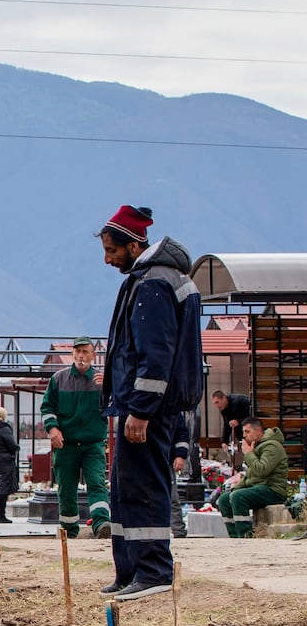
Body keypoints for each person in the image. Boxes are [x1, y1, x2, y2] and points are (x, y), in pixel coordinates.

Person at [98, 204, 204, 600]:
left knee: (144, 486)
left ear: (133, 243)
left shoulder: (153, 284)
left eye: (112, 250)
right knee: (124, 487)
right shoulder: (155, 278)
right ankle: (129, 569)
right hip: (142, 406)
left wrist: (141, 408)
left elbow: (155, 353)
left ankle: (154, 570)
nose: (108, 260)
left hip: (150, 409)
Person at [40, 337, 111, 539]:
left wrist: (108, 387)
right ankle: (69, 529)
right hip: (66, 445)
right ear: (73, 354)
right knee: (66, 487)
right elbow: (47, 407)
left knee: (97, 483)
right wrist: (52, 429)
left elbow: (116, 404)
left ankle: (101, 523)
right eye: (78, 351)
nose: (81, 356)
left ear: (93, 355)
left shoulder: (103, 381)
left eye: (85, 352)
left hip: (92, 444)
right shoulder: (58, 379)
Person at [216, 417, 289, 538]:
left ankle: (246, 537)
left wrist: (249, 454)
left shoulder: (272, 446)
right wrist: (234, 488)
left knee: (238, 497)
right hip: (259, 488)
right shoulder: (257, 446)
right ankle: (235, 537)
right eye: (243, 432)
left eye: (247, 432)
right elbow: (250, 476)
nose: (244, 436)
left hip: (273, 490)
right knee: (224, 499)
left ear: (259, 431)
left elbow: (262, 470)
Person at [212, 390, 252, 456]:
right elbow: (227, 424)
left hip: (251, 431)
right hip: (243, 435)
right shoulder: (223, 408)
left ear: (224, 398)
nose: (217, 406)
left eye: (217, 402)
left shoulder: (238, 401)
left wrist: (238, 422)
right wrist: (224, 441)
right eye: (215, 404)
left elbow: (251, 416)